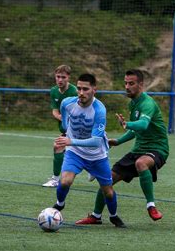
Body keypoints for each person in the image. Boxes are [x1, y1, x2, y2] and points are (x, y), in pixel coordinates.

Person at [76, 69, 169, 225]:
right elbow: (135, 131)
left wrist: (128, 124)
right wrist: (117, 141)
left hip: (157, 149)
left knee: (141, 163)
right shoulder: (133, 103)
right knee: (107, 180)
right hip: (138, 150)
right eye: (125, 83)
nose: (127, 86)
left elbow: (143, 125)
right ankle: (96, 216)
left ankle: (151, 206)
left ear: (141, 84)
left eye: (131, 83)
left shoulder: (147, 103)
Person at [51, 73, 125, 228]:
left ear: (94, 90)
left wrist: (70, 141)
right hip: (75, 152)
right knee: (64, 181)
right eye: (78, 88)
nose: (81, 92)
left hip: (96, 155)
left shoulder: (99, 110)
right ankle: (59, 204)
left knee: (108, 192)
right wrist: (66, 135)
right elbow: (65, 124)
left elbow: (95, 142)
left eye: (85, 89)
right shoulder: (67, 103)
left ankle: (113, 216)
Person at [42, 65, 77, 187]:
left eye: (63, 77)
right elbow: (55, 111)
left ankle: (56, 179)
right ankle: (56, 179)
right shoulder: (54, 91)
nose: (60, 80)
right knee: (59, 147)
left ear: (69, 78)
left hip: (78, 129)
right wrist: (63, 119)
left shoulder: (75, 92)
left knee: (58, 146)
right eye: (58, 77)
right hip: (66, 129)